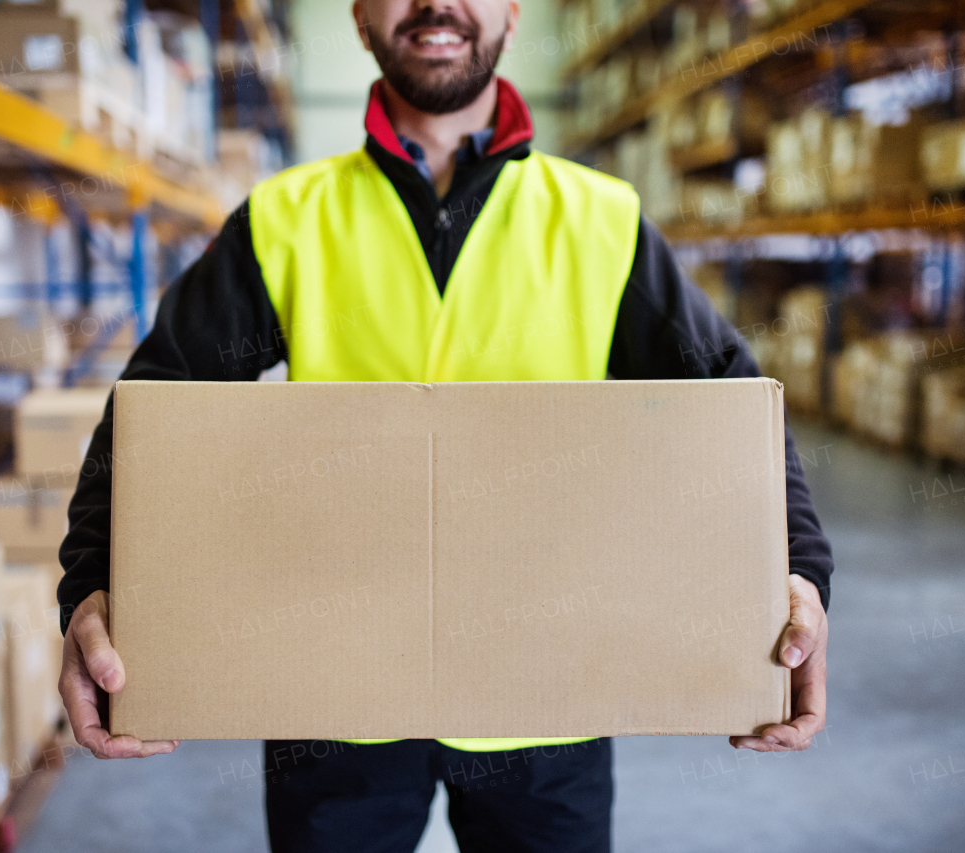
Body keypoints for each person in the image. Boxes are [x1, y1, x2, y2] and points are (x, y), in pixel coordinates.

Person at [56, 1, 834, 851]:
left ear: (509, 11)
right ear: (358, 16)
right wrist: (93, 585)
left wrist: (796, 577)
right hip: (334, 696)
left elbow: (730, 400)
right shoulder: (286, 219)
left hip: (547, 695)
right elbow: (155, 406)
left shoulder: (599, 221)